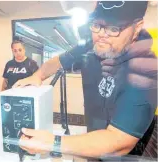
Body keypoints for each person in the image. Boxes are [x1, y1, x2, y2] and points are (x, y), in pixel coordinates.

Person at [13, 1, 157, 159]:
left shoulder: (146, 72)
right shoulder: (92, 44)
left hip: (127, 155)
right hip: (94, 142)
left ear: (137, 28)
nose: (102, 34)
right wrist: (37, 76)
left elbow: (119, 142)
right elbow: (59, 61)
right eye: (96, 25)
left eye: (114, 28)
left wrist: (53, 143)